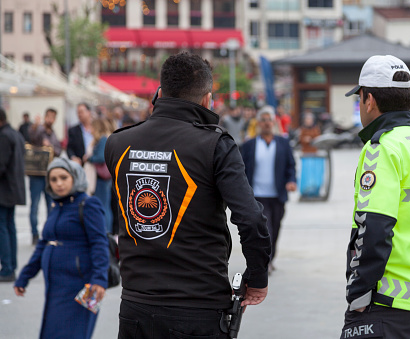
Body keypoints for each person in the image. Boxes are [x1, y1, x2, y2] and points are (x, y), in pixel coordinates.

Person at [104, 51, 271, 338]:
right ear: (207, 99)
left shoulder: (118, 144)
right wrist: (257, 277)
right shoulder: (215, 145)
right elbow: (251, 218)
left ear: (159, 93)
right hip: (198, 308)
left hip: (136, 305)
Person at [341, 55, 410, 338]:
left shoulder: (382, 148)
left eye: (359, 98)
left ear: (370, 100)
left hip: (386, 301)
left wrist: (357, 293)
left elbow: (374, 225)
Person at [14, 157, 109, 338]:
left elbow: (99, 243)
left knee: (75, 332)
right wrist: (25, 276)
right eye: (53, 179)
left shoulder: (88, 204)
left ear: (75, 177)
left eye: (64, 178)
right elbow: (44, 242)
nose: (59, 184)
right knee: (54, 332)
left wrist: (99, 279)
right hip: (56, 285)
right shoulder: (57, 205)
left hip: (84, 285)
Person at [240, 106, 297, 272]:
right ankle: (264, 262)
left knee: (275, 228)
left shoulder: (283, 143)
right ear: (258, 123)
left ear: (274, 122)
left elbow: (291, 166)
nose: (266, 123)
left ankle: (270, 259)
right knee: (265, 230)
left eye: (269, 120)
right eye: (263, 120)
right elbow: (241, 169)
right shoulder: (249, 145)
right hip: (257, 196)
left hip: (277, 195)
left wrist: (291, 181)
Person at [28, 108, 62, 245]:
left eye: (53, 117)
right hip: (36, 173)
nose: (50, 120)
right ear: (45, 117)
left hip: (48, 174)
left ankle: (48, 233)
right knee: (35, 205)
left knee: (50, 205)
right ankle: (35, 234)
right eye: (49, 117)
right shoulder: (39, 130)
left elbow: (58, 150)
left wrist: (51, 146)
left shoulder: (53, 134)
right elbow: (32, 136)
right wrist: (37, 126)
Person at [0, 108, 26, 282]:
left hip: (4, 190)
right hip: (14, 188)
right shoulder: (16, 134)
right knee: (10, 227)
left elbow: (0, 165)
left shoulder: (3, 136)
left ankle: (7, 268)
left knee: (3, 228)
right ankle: (12, 266)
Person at [84, 118, 113, 233]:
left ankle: (106, 231)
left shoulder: (102, 139)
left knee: (103, 206)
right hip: (103, 178)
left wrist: (89, 158)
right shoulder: (104, 138)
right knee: (104, 205)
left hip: (102, 178)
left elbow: (101, 157)